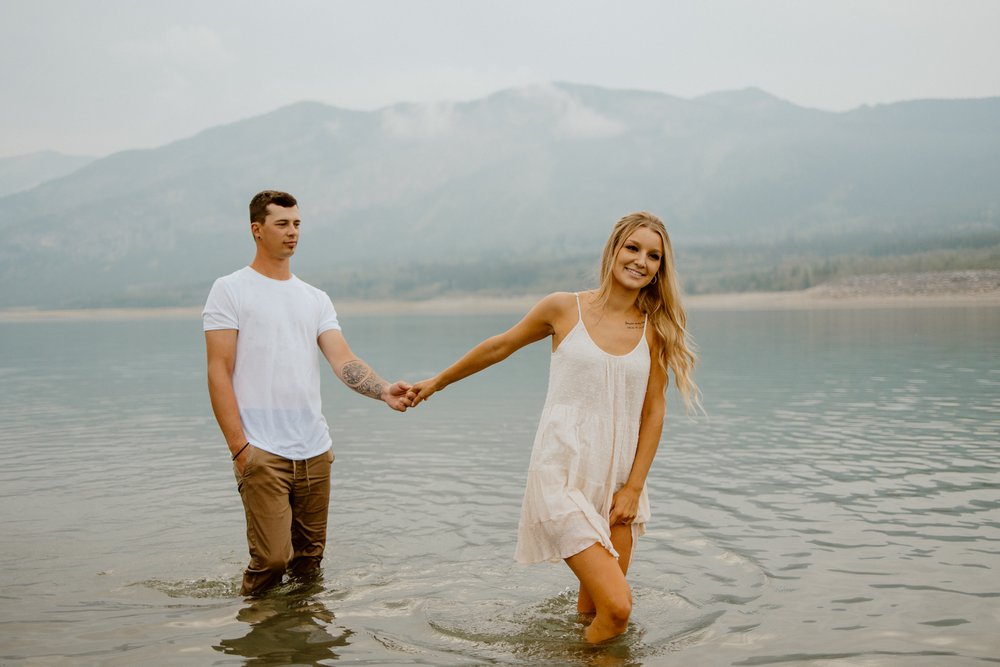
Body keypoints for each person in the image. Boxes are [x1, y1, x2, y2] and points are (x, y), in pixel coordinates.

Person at [409, 212, 699, 643]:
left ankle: (580, 655)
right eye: (633, 248)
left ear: (661, 267)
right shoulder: (564, 308)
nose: (641, 261)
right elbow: (499, 346)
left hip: (619, 482)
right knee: (619, 610)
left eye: (654, 256)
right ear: (614, 250)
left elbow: (653, 412)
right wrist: (436, 383)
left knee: (597, 613)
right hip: (560, 473)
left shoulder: (654, 329)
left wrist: (634, 487)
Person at [204, 190, 413, 596]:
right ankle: (260, 638)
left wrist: (385, 390)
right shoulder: (229, 290)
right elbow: (218, 372)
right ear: (257, 230)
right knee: (271, 561)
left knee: (309, 561)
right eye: (282, 223)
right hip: (262, 450)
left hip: (315, 450)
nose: (293, 232)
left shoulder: (315, 298)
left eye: (297, 223)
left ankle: (303, 639)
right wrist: (240, 450)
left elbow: (342, 359)